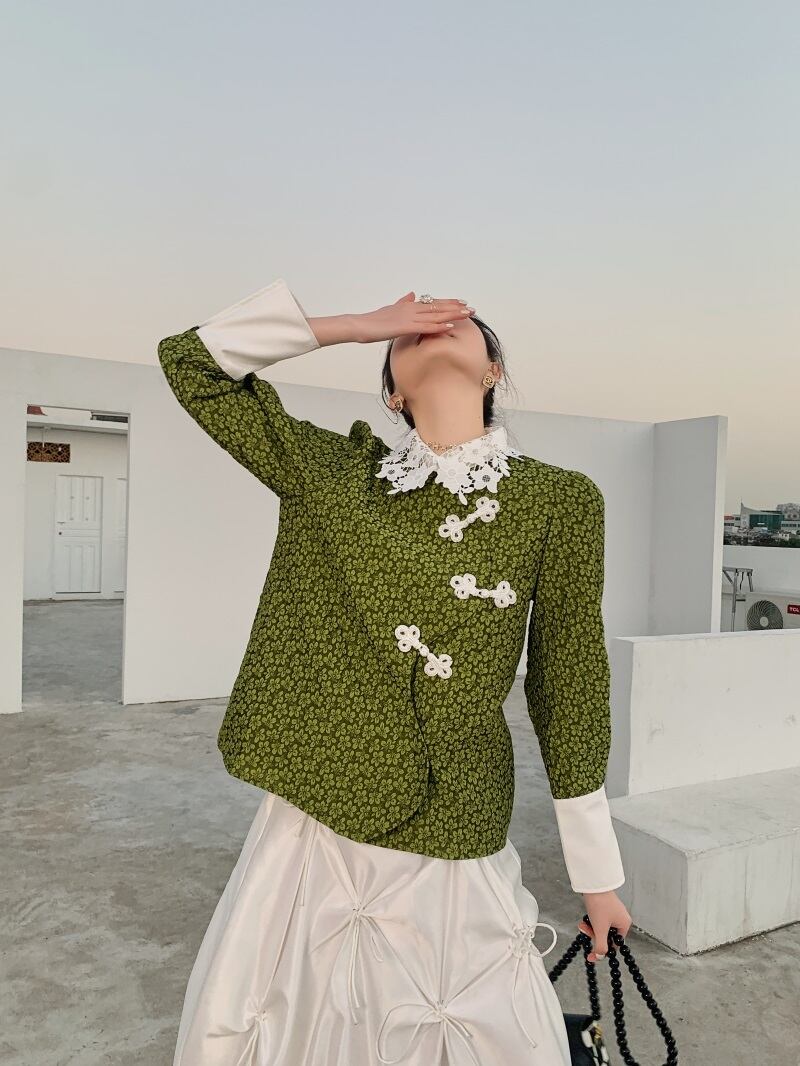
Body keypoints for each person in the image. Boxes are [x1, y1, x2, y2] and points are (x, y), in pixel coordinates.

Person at [158, 277, 633, 1066]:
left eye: (462, 325)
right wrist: (356, 323)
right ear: (391, 391)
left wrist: (597, 876)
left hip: (459, 818)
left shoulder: (562, 500)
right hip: (320, 816)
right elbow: (190, 363)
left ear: (494, 372)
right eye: (408, 333)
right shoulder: (333, 472)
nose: (434, 327)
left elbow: (570, 682)